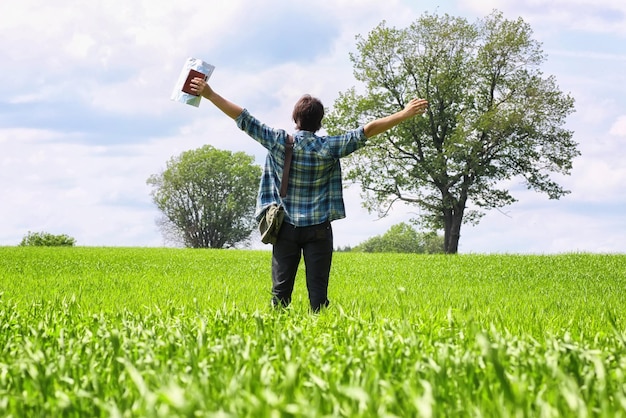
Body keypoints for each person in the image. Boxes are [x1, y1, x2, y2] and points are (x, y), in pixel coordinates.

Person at [190, 77, 428, 312]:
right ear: (320, 121)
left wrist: (210, 94)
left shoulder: (278, 141)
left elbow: (243, 117)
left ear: (296, 119)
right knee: (318, 298)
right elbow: (366, 132)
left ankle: (277, 340)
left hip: (285, 228)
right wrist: (404, 113)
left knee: (280, 296)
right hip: (319, 230)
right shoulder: (330, 147)